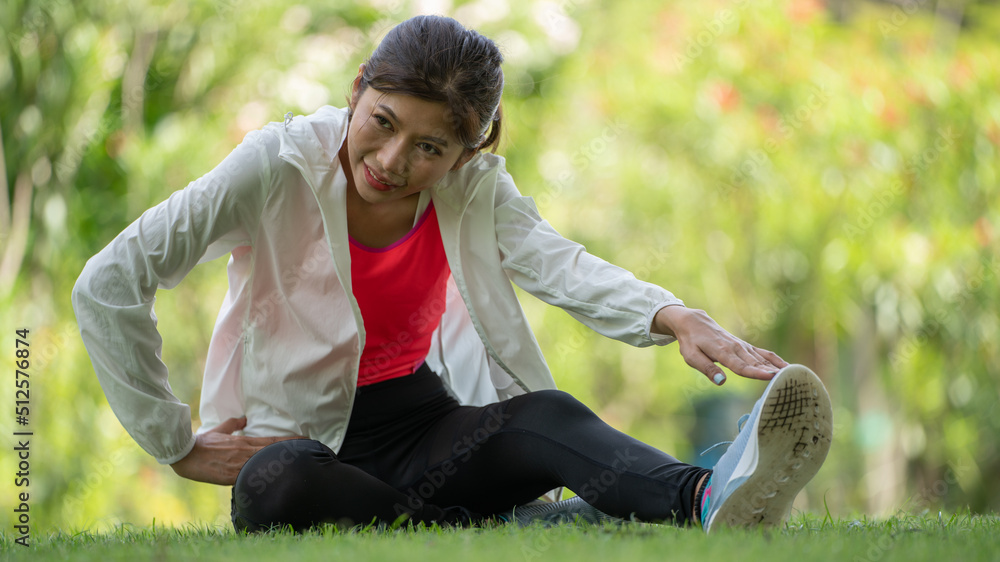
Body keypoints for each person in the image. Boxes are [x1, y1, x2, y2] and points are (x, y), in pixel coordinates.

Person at [72, 14, 832, 534]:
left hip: (423, 428)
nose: (394, 161)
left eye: (431, 148)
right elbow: (109, 282)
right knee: (279, 484)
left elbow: (562, 266)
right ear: (358, 90)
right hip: (305, 450)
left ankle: (707, 497)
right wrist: (173, 441)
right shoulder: (274, 168)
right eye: (383, 122)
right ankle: (501, 523)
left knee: (547, 415)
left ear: (466, 153)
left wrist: (675, 318)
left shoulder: (474, 193)